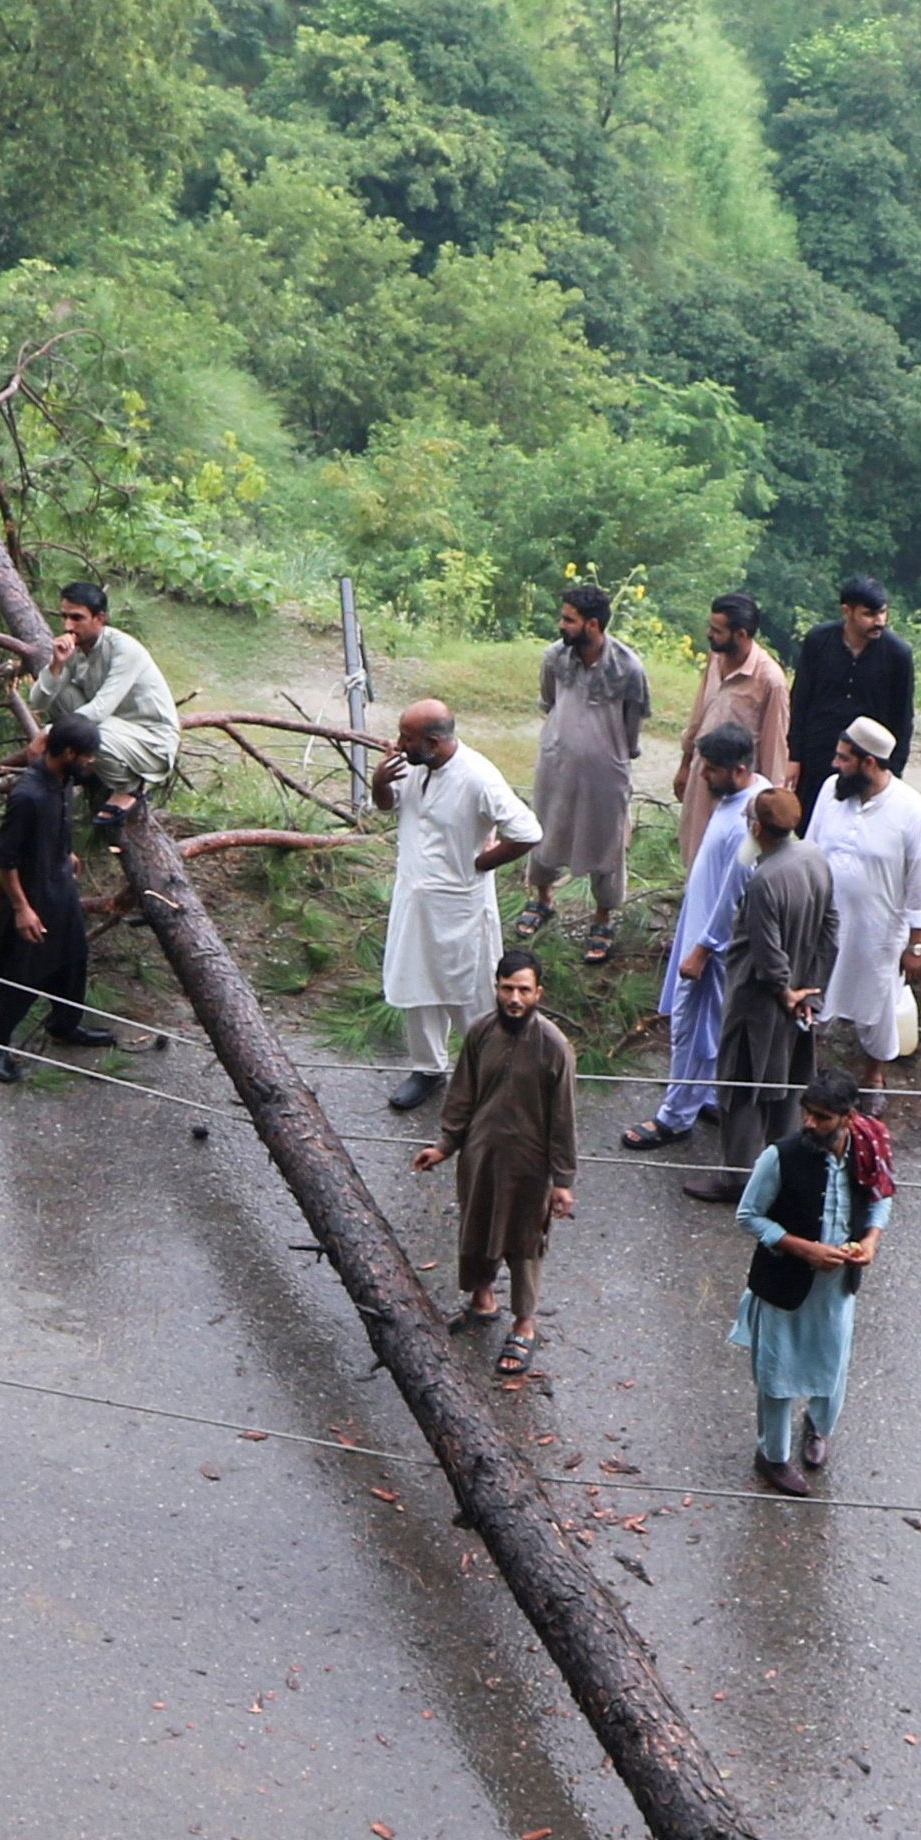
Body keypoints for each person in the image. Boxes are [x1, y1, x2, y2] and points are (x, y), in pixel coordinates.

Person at [371, 697, 537, 1112]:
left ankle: (492, 1073)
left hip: (460, 907)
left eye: (406, 737)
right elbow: (389, 805)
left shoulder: (478, 777)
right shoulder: (413, 764)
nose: (398, 744)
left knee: (469, 994)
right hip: (414, 901)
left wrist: (481, 863)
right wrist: (379, 783)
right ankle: (428, 1068)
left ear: (433, 742)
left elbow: (527, 831)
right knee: (416, 985)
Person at [418, 948, 577, 1377]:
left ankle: (524, 1324)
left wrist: (563, 1181)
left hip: (529, 1166)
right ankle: (482, 1299)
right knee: (477, 1226)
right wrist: (445, 1145)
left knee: (524, 1242)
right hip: (480, 1157)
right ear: (496, 988)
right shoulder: (480, 1032)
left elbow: (563, 1118)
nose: (514, 999)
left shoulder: (554, 1047)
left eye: (524, 990)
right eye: (507, 989)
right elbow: (462, 1094)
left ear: (538, 992)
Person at [732, 1070, 888, 1495]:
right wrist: (805, 1250)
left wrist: (870, 1241)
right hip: (783, 1282)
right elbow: (748, 1216)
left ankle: (818, 1428)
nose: (810, 1123)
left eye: (822, 1117)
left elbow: (881, 1197)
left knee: (832, 1362)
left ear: (848, 1118)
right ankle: (772, 1455)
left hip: (836, 1288)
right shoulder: (779, 1157)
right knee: (777, 1370)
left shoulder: (869, 1147)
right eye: (807, 1113)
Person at [689, 783, 837, 1200]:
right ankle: (783, 1169)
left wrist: (783, 989)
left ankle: (736, 1178)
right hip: (801, 995)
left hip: (757, 1001)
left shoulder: (764, 881)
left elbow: (766, 950)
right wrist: (812, 992)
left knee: (741, 1086)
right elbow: (831, 929)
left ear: (758, 827)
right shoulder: (815, 857)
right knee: (787, 1084)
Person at [625, 715, 759, 1153]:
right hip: (699, 932)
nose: (703, 776)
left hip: (711, 947)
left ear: (739, 769)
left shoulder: (748, 822)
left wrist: (703, 949)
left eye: (712, 769)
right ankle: (707, 1096)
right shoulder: (741, 796)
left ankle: (675, 1117)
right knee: (709, 1029)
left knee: (692, 1031)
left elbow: (734, 894)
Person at [525, 582, 652, 959]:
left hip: (605, 774)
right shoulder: (554, 657)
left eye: (569, 619)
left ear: (593, 625)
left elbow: (632, 725)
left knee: (606, 843)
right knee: (544, 830)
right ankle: (542, 898)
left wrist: (611, 754)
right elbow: (549, 700)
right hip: (556, 764)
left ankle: (603, 917)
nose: (561, 625)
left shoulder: (628, 668)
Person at [805, 716, 921, 1072]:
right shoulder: (831, 791)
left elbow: (919, 885)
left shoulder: (914, 812)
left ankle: (873, 1077)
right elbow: (811, 849)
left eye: (844, 758)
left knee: (877, 1007)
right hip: (825, 926)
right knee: (815, 997)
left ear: (869, 762)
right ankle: (805, 1070)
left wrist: (916, 946)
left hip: (877, 932)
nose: (835, 764)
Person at [0, 712, 108, 1081]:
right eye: (87, 755)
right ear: (68, 753)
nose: (91, 761)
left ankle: (64, 1026)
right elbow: (5, 859)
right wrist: (21, 909)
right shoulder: (28, 796)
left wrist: (65, 850)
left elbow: (41, 744)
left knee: (73, 960)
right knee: (21, 973)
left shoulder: (63, 778)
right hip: (31, 897)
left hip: (61, 888)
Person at [671, 592, 793, 866]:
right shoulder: (716, 660)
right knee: (695, 851)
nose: (709, 634)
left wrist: (768, 807)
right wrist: (685, 764)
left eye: (717, 630)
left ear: (741, 634)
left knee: (730, 862)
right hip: (703, 775)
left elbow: (774, 749)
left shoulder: (770, 680)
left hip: (737, 790)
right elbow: (699, 716)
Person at [39, 582, 179, 815]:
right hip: (115, 726)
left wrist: (49, 733)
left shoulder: (125, 650)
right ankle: (91, 764)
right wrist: (56, 664)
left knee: (92, 732)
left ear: (100, 618)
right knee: (60, 696)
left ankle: (130, 786)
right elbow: (39, 701)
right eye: (64, 617)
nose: (67, 626)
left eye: (77, 618)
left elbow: (99, 710)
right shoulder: (76, 648)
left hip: (153, 741)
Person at [785, 576, 918, 803]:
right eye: (869, 614)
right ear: (847, 611)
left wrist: (893, 771)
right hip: (817, 755)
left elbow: (902, 718)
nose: (879, 621)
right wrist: (794, 756)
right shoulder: (818, 641)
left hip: (868, 761)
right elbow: (800, 700)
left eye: (882, 612)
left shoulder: (897, 654)